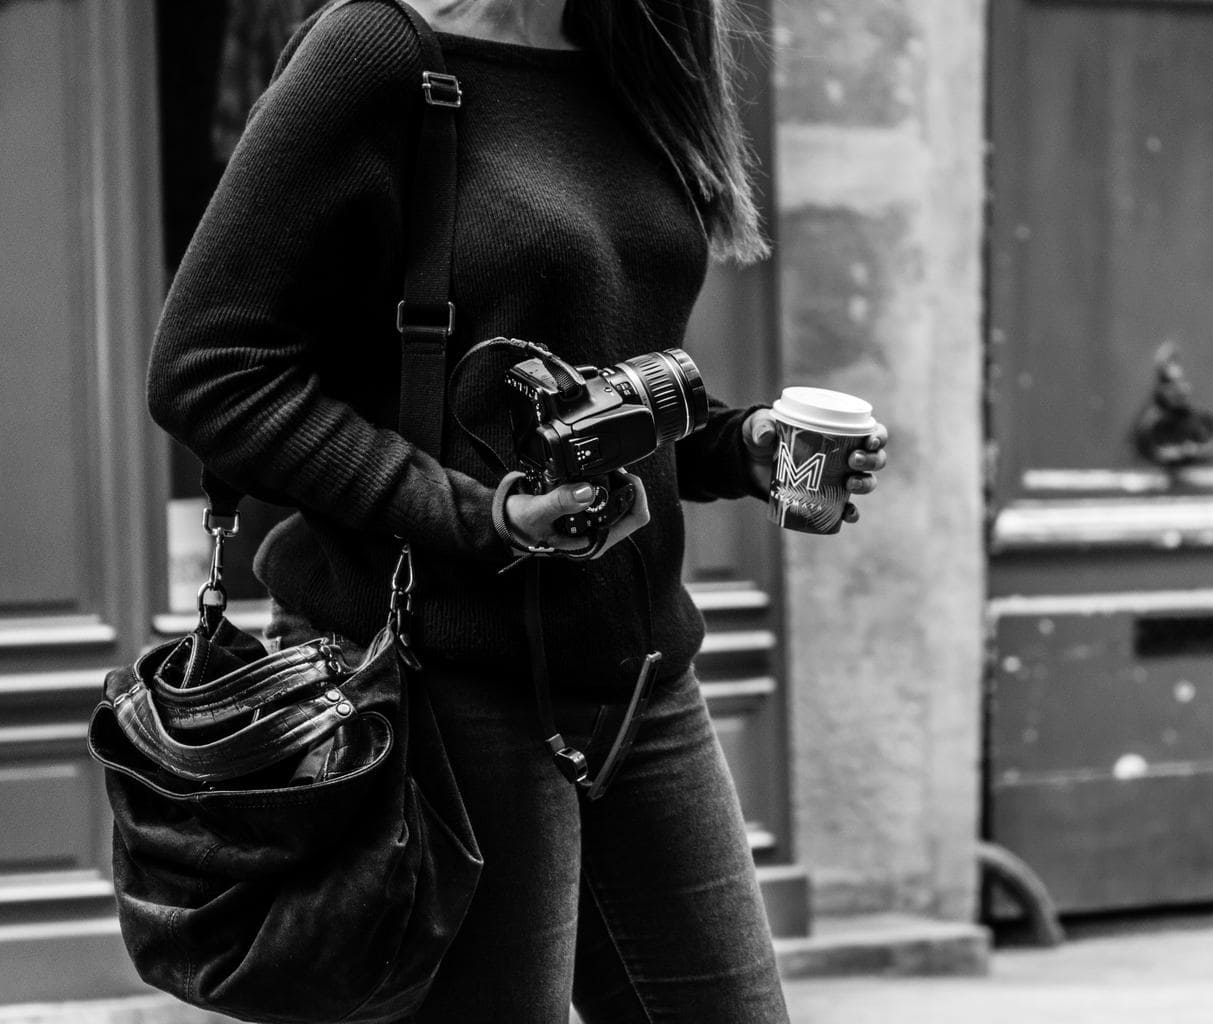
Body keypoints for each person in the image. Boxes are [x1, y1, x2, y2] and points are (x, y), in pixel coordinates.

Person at [146, 0, 888, 1021]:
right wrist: (479, 515)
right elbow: (210, 371)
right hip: (442, 692)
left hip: (637, 685)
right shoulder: (375, 53)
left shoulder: (633, 58)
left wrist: (740, 445)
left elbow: (597, 380)